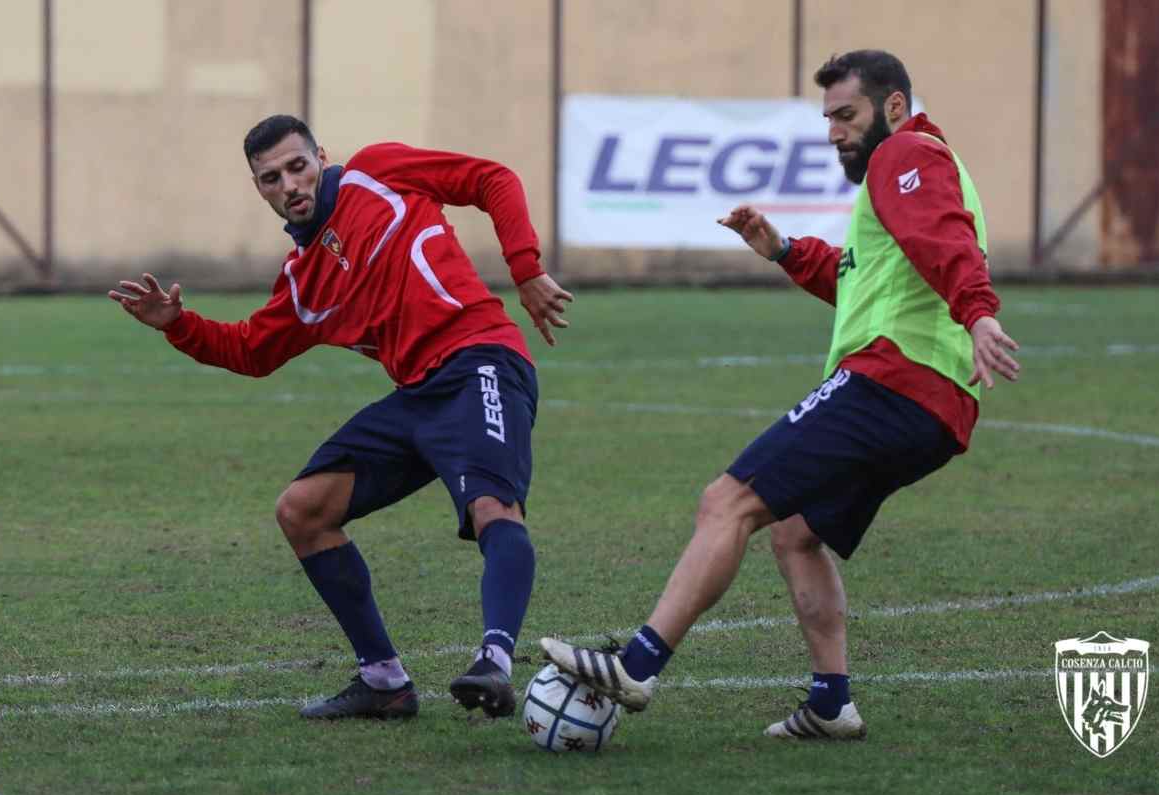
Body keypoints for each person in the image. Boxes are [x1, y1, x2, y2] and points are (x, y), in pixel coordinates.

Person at [540, 50, 1020, 740]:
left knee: (726, 501)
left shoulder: (907, 154)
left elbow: (943, 235)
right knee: (796, 533)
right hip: (933, 402)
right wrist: (784, 249)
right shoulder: (901, 170)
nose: (833, 132)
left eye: (846, 115)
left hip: (894, 381)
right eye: (827, 118)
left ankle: (637, 666)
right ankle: (831, 704)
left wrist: (977, 311)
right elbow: (862, 277)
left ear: (892, 107)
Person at [109, 114, 573, 721]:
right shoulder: (303, 281)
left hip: (479, 359)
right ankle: (384, 682)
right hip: (415, 397)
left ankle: (495, 661)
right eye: (271, 177)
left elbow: (491, 179)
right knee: (302, 511)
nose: (290, 185)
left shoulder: (377, 173)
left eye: (298, 166)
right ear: (260, 189)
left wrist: (526, 267)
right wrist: (178, 325)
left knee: (492, 507)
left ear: (320, 158)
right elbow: (251, 350)